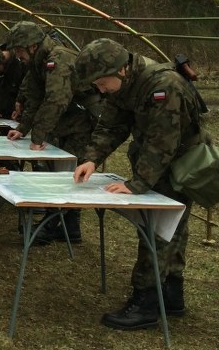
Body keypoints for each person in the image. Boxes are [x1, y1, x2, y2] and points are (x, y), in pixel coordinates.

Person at [72, 38, 203, 330]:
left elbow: (162, 141)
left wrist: (138, 183)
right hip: (163, 164)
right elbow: (112, 125)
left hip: (179, 167)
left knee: (158, 230)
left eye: (102, 83)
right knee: (171, 231)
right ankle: (170, 295)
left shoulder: (163, 86)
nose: (100, 90)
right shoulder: (126, 84)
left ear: (121, 70)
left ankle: (144, 304)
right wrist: (92, 158)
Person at [4, 21, 101, 243]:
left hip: (81, 122)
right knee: (60, 171)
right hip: (67, 120)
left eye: (19, 50)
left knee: (66, 174)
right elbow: (35, 96)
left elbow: (56, 100)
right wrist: (23, 128)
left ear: (32, 46)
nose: (18, 55)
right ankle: (69, 227)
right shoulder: (38, 62)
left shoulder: (58, 59)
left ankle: (52, 224)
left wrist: (38, 137)